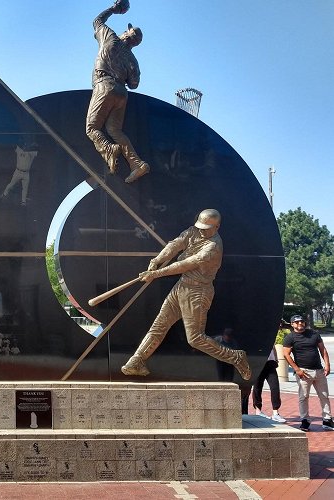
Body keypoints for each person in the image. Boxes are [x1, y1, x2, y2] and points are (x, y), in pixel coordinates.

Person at [120, 209, 251, 380]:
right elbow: (175, 244)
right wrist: (156, 261)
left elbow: (185, 264)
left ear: (217, 227)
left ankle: (236, 357)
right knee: (159, 326)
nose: (201, 230)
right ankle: (136, 361)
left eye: (206, 228)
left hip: (198, 292)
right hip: (182, 287)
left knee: (195, 338)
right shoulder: (193, 231)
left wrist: (155, 274)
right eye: (200, 226)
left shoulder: (213, 247)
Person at [86, 0, 151, 184]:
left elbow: (97, 21)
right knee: (114, 129)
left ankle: (108, 149)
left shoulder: (111, 38)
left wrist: (114, 9)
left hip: (104, 85)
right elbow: (135, 84)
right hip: (122, 93)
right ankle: (136, 164)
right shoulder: (133, 60)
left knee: (92, 128)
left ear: (125, 34)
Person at [283, 314, 332, 431]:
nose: (300, 324)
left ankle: (327, 420)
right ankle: (305, 420)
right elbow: (286, 355)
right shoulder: (290, 338)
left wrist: (327, 365)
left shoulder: (314, 334)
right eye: (297, 322)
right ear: (292, 324)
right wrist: (297, 369)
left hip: (319, 371)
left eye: (302, 322)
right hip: (303, 372)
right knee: (303, 397)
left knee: (324, 396)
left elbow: (322, 350)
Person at [251, 344, 285, 422]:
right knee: (257, 387)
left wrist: (276, 358)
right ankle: (258, 410)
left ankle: (275, 413)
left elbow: (273, 346)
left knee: (275, 387)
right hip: (258, 363)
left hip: (270, 363)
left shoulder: (268, 334)